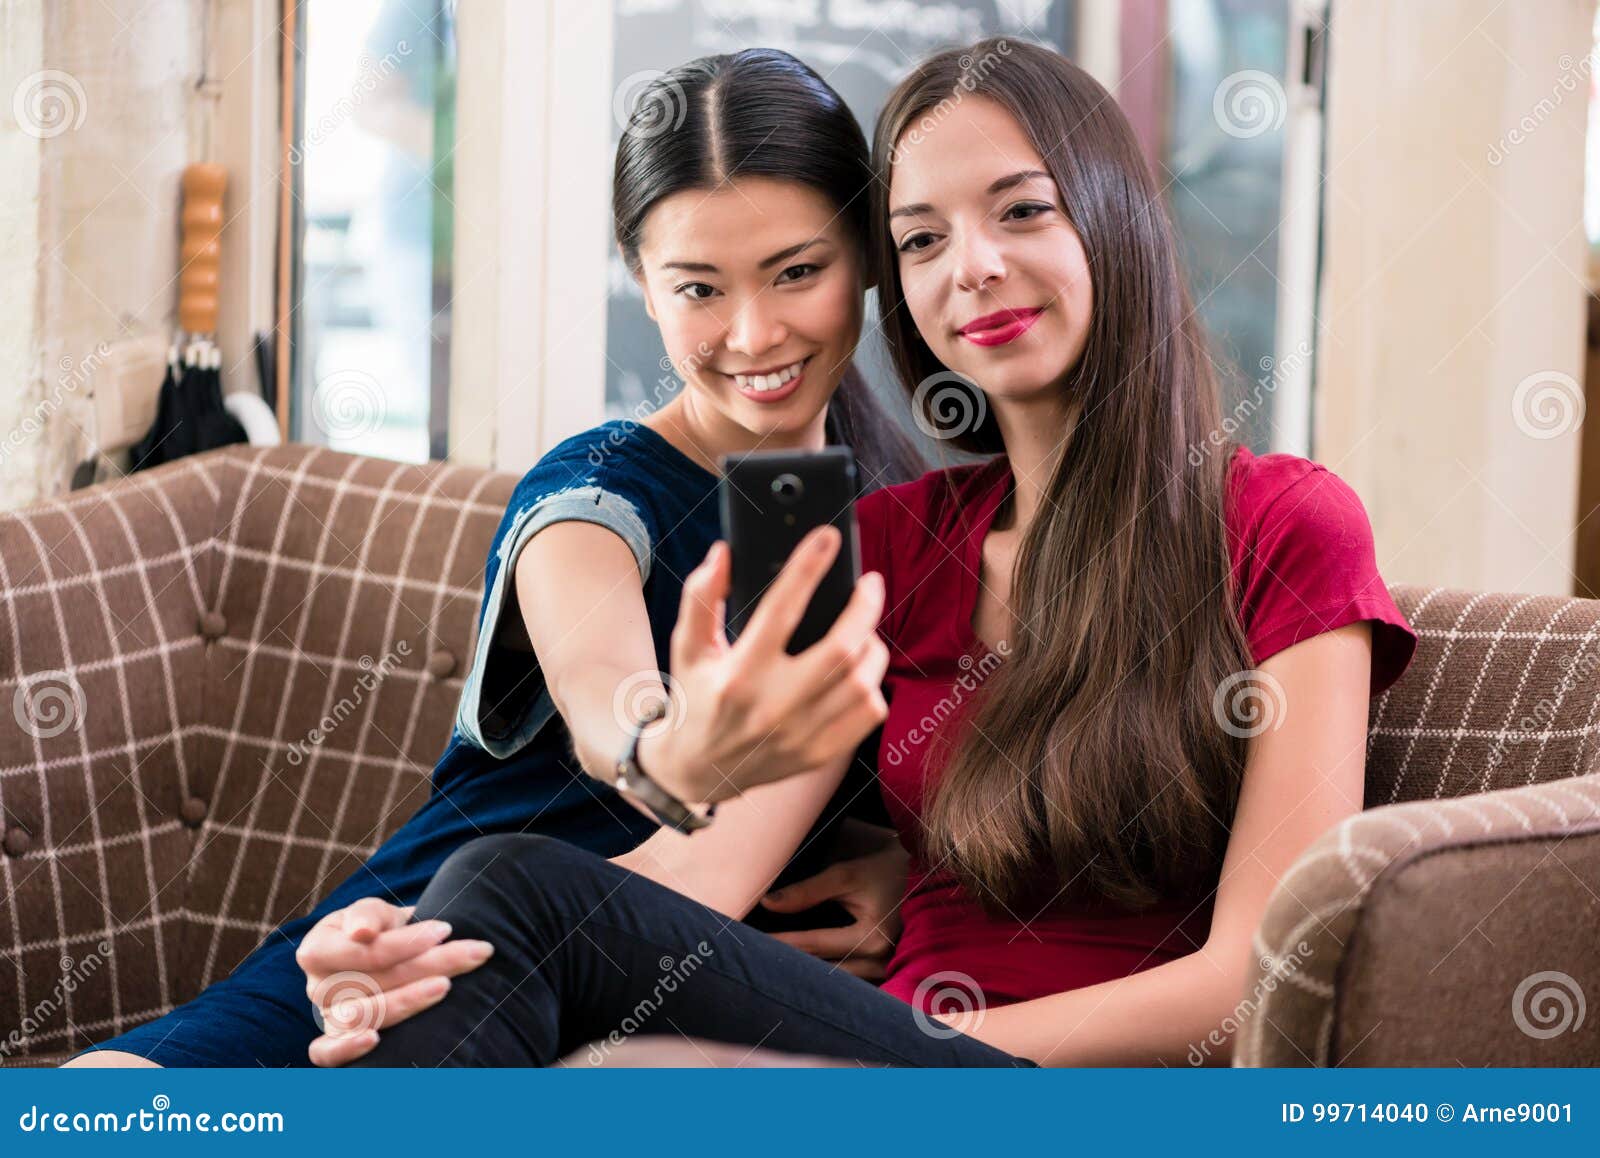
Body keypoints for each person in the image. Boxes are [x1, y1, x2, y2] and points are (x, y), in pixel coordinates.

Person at [327, 39, 1418, 1068]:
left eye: (1021, 211)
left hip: (1054, 1080)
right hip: (876, 1051)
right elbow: (701, 868)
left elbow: (1252, 978)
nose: (973, 268)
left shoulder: (1284, 523)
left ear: (1117, 217)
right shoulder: (880, 541)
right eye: (921, 240)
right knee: (487, 919)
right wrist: (421, 944)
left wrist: (879, 1076)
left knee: (527, 928)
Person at [63, 48, 923, 1069]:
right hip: (408, 951)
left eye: (798, 271)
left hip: (618, 1017)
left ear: (865, 257)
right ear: (642, 284)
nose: (752, 332)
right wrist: (666, 750)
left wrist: (900, 871)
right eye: (698, 287)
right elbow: (614, 704)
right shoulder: (592, 497)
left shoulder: (887, 514)